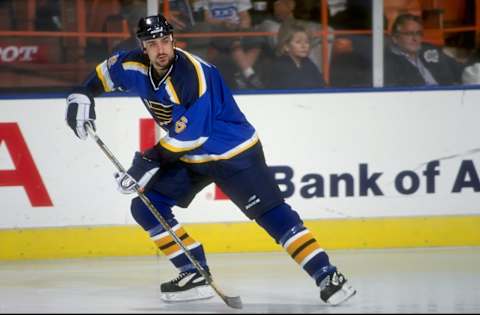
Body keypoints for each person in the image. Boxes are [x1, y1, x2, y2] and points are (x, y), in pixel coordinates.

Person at [64, 14, 356, 305]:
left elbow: (194, 133)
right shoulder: (132, 65)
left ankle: (328, 275)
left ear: (173, 40)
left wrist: (146, 162)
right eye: (153, 44)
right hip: (190, 156)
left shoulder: (192, 74)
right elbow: (104, 74)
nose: (161, 49)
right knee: (146, 206)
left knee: (273, 217)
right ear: (143, 46)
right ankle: (194, 273)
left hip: (234, 153)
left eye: (166, 41)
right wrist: (82, 95)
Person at [384, 14, 465, 87]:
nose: (415, 38)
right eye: (409, 34)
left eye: (418, 33)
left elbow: (462, 71)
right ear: (395, 38)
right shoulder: (388, 61)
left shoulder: (430, 50)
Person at [266, 20, 325, 89]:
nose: (304, 46)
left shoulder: (308, 63)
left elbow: (322, 85)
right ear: (286, 46)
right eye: (298, 42)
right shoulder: (280, 66)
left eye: (306, 42)